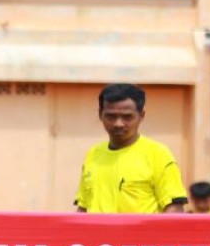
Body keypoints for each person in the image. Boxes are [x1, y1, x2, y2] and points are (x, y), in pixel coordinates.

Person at [74, 83, 188, 215]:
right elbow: (83, 208)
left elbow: (174, 210)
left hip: (143, 230)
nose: (118, 123)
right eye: (111, 116)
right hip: (95, 230)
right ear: (100, 115)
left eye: (127, 117)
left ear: (141, 115)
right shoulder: (93, 154)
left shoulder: (158, 154)